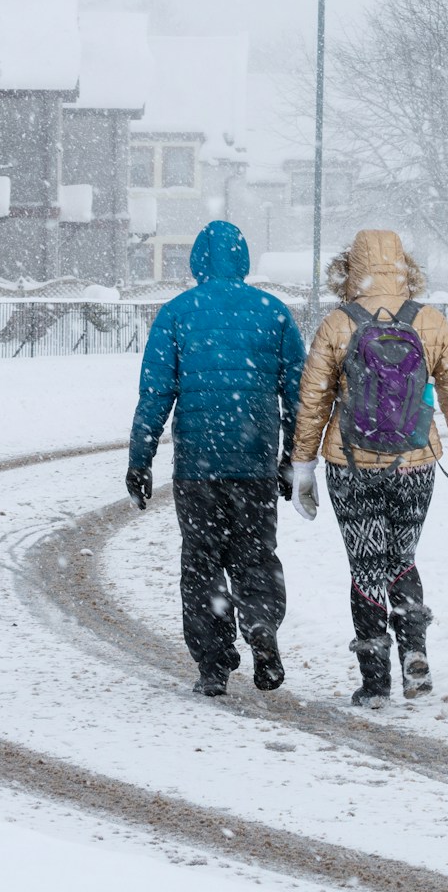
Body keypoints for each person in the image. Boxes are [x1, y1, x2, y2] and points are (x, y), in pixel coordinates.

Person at [287, 229, 448, 707]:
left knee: (366, 566)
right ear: (405, 266)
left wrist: (303, 467)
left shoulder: (337, 323)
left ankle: (375, 682)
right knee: (402, 559)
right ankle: (414, 654)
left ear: (350, 268)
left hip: (350, 464)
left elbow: (312, 402)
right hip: (416, 462)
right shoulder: (429, 321)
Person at [128, 220, 306, 697]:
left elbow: (156, 394)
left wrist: (140, 458)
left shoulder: (177, 313)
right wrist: (293, 456)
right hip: (254, 461)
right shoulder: (273, 313)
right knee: (255, 556)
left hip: (197, 465)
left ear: (197, 262)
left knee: (202, 562)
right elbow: (299, 394)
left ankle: (213, 662)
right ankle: (261, 627)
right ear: (243, 258)